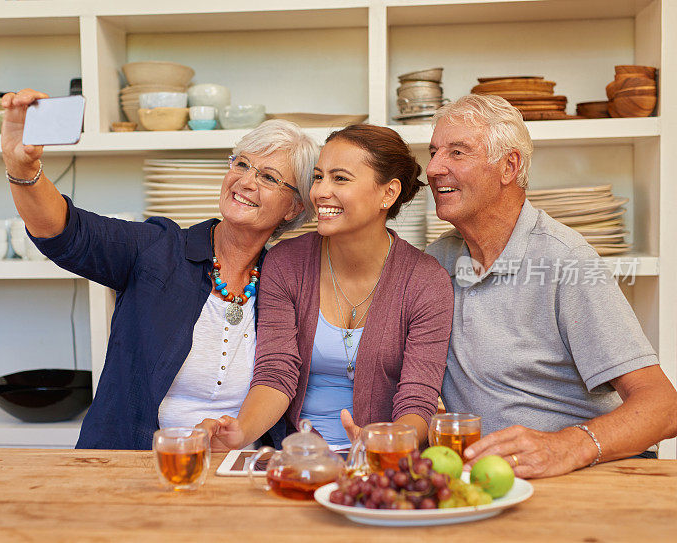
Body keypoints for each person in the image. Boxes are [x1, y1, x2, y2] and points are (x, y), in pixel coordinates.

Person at [0, 89, 319, 449]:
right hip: (136, 463)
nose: (246, 181)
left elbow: (281, 375)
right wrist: (22, 168)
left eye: (269, 177)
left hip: (236, 468)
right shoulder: (158, 249)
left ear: (293, 209)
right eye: (241, 164)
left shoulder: (284, 279)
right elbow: (66, 232)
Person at [424, 94, 677, 478]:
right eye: (434, 152)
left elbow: (663, 406)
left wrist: (564, 447)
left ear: (509, 166)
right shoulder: (437, 261)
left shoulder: (567, 259)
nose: (433, 168)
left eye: (457, 152)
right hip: (493, 479)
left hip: (582, 475)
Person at [200, 124, 454, 450]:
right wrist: (241, 432)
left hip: (384, 464)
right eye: (318, 176)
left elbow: (418, 398)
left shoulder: (426, 282)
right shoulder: (286, 263)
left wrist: (389, 442)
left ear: (387, 193)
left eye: (340, 178)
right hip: (297, 456)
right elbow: (276, 372)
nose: (319, 192)